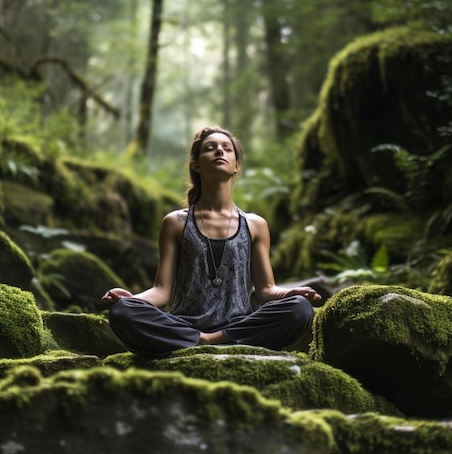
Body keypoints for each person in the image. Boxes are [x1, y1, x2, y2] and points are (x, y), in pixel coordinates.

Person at [102, 125, 322, 357]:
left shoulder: (255, 225)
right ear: (196, 164)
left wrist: (291, 294)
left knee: (299, 309)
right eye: (210, 148)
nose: (219, 151)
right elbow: (161, 291)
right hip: (185, 325)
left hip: (237, 325)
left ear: (236, 166)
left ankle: (205, 341)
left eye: (227, 148)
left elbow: (266, 290)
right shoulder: (175, 223)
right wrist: (131, 299)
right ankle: (204, 339)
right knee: (123, 312)